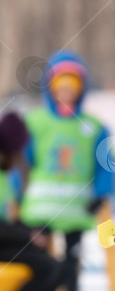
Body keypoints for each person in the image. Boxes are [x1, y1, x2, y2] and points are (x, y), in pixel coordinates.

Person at [20, 51, 115, 291]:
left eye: (72, 83)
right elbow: (21, 162)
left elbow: (105, 164)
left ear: (82, 86)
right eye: (60, 82)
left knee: (72, 265)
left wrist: (101, 194)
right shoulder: (35, 122)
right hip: (39, 210)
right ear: (49, 86)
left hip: (77, 209)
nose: (66, 89)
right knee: (40, 268)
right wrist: (16, 193)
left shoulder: (93, 127)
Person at [0, 111, 62, 291]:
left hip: (6, 241)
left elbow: (9, 219)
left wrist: (34, 231)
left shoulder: (5, 178)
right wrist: (28, 236)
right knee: (50, 269)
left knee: (52, 265)